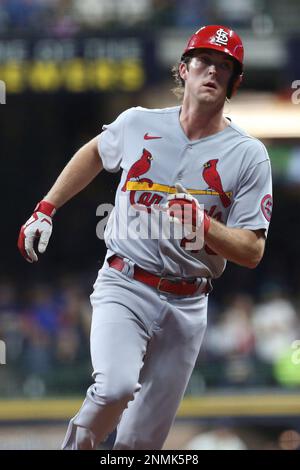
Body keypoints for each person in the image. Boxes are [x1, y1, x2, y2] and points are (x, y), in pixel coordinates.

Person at [18, 25, 273, 450]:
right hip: (126, 283)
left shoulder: (248, 155)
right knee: (115, 387)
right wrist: (46, 208)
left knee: (141, 444)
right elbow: (95, 153)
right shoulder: (138, 122)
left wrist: (205, 225)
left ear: (234, 83)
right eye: (205, 62)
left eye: (225, 67)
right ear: (184, 70)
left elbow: (252, 251)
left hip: (188, 302)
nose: (213, 71)